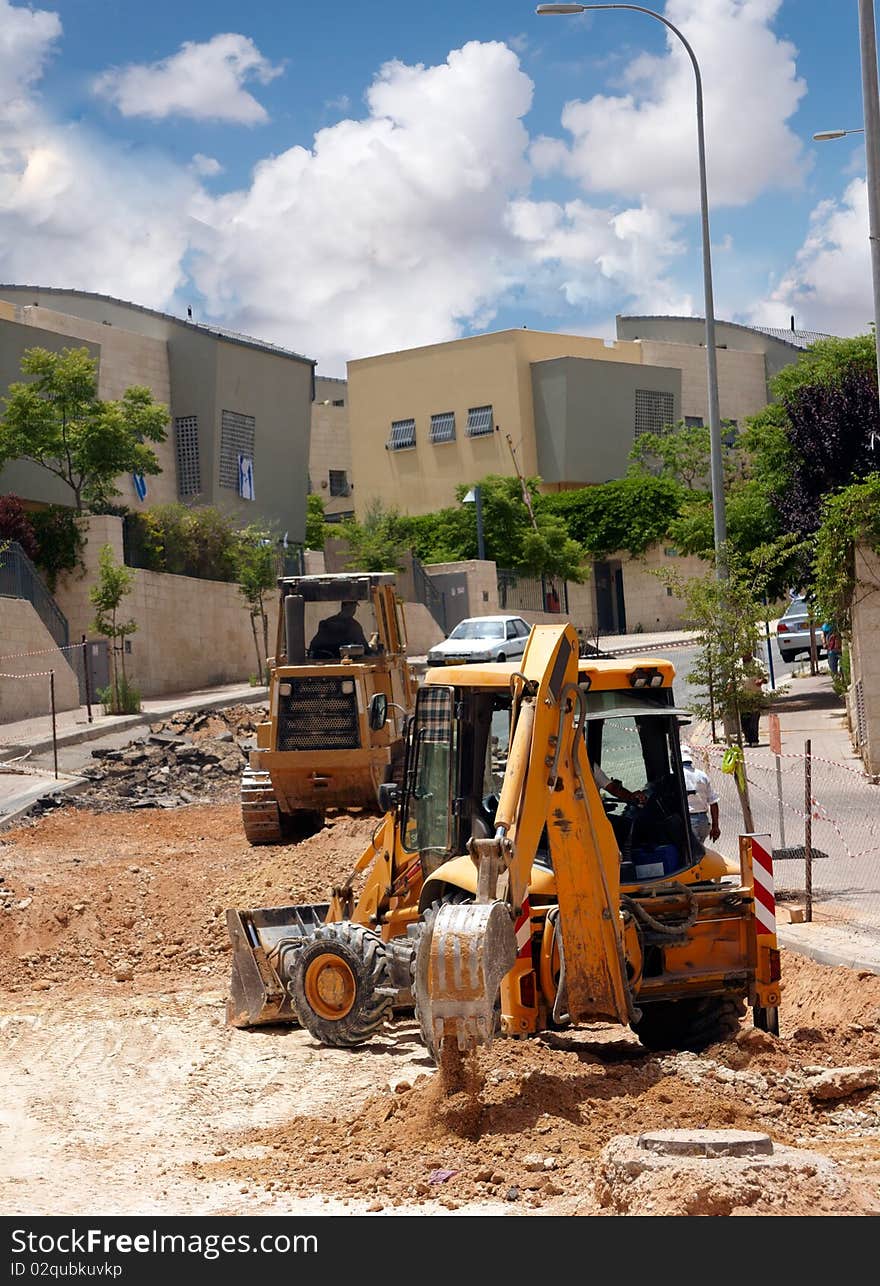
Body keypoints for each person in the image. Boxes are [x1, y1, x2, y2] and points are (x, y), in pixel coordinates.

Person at [680, 744, 720, 845]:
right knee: (699, 853)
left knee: (690, 855)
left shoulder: (675, 776)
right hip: (703, 821)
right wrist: (715, 826)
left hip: (688, 821)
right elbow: (713, 802)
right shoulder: (702, 775)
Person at [308, 600, 373, 659]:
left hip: (325, 663)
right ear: (346, 606)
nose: (354, 610)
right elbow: (365, 649)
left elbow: (313, 646)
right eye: (353, 606)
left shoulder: (328, 622)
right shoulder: (354, 626)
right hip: (344, 665)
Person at [738, 651, 767, 747]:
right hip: (742, 696)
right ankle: (748, 738)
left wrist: (761, 680)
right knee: (744, 719)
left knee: (754, 718)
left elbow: (765, 676)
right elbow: (733, 677)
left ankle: (754, 739)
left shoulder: (757, 663)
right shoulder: (738, 664)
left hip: (755, 695)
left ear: (749, 653)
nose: (742, 655)